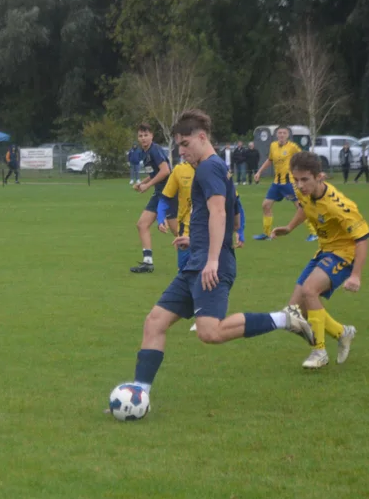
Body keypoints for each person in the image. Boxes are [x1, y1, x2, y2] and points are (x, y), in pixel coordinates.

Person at [127, 109, 315, 398]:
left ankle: (285, 319)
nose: (181, 151)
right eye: (178, 146)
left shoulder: (209, 167)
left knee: (210, 332)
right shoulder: (211, 167)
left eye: (185, 144)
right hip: (196, 260)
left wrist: (213, 258)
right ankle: (138, 394)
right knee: (154, 322)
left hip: (212, 263)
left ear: (202, 138)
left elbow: (218, 211)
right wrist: (195, 239)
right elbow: (222, 214)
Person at [271, 152, 368, 368]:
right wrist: (289, 227)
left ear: (319, 177)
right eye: (296, 179)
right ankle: (342, 333)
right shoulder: (303, 192)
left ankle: (319, 352)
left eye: (305, 179)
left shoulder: (340, 206)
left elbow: (362, 238)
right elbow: (305, 208)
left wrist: (356, 275)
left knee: (309, 291)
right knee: (295, 312)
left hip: (344, 253)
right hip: (324, 251)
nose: (299, 185)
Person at [252, 126, 317, 242]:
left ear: (287, 135)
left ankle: (314, 232)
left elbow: (303, 158)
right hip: (276, 184)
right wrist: (259, 172)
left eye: (284, 133)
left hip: (290, 184)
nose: (281, 135)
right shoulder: (273, 145)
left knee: (300, 207)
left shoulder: (292, 147)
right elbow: (270, 160)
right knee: (266, 205)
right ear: (277, 135)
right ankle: (267, 234)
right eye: (280, 133)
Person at [129, 123, 171, 273]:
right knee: (142, 224)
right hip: (159, 193)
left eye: (146, 135)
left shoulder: (155, 150)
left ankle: (202, 257)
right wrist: (143, 183)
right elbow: (155, 173)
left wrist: (148, 185)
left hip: (169, 193)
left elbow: (166, 171)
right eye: (140, 136)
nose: (143, 138)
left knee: (177, 230)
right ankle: (148, 262)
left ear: (152, 136)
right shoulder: (144, 152)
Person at [155, 155, 195, 270]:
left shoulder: (215, 168)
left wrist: (240, 230)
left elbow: (235, 201)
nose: (182, 152)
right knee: (183, 274)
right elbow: (164, 199)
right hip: (185, 231)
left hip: (208, 232)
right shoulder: (179, 170)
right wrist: (161, 218)